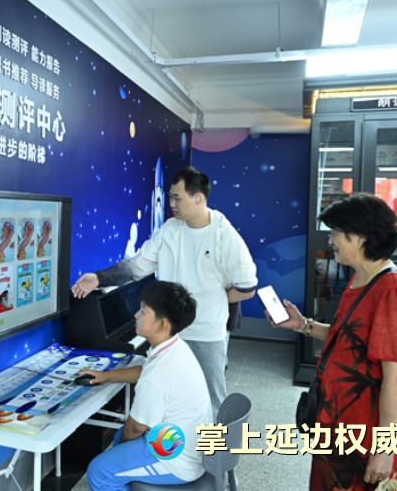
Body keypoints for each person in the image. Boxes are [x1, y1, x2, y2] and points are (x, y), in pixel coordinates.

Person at [71, 166, 258, 417]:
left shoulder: (224, 235)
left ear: (198, 198)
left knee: (210, 398)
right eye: (170, 197)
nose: (171, 203)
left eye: (177, 198)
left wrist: (213, 300)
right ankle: (170, 440)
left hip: (206, 332)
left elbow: (246, 288)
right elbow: (137, 266)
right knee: (165, 388)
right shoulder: (170, 230)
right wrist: (99, 278)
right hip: (169, 330)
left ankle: (211, 444)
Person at [266, 193, 397, 490]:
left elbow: (395, 377)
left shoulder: (393, 291)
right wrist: (303, 325)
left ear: (361, 237)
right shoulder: (360, 278)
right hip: (339, 423)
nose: (330, 240)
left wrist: (385, 449)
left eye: (336, 232)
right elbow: (350, 339)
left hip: (367, 435)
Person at [84, 280, 212, 491]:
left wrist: (119, 454)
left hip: (176, 460)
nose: (136, 315)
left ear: (161, 325)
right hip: (186, 443)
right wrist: (106, 376)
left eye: (143, 311)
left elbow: (135, 427)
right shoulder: (175, 347)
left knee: (99, 471)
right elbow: (144, 369)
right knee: (119, 437)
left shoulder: (157, 376)